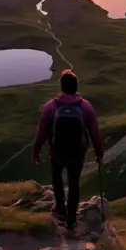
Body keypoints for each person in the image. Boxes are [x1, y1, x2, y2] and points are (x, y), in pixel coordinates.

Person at [32, 69, 104, 230]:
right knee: (74, 183)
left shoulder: (51, 106)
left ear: (62, 86)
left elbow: (42, 131)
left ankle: (60, 210)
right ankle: (71, 218)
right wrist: (99, 153)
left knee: (57, 180)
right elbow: (94, 132)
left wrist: (36, 150)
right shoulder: (85, 107)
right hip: (77, 153)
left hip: (57, 153)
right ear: (76, 86)